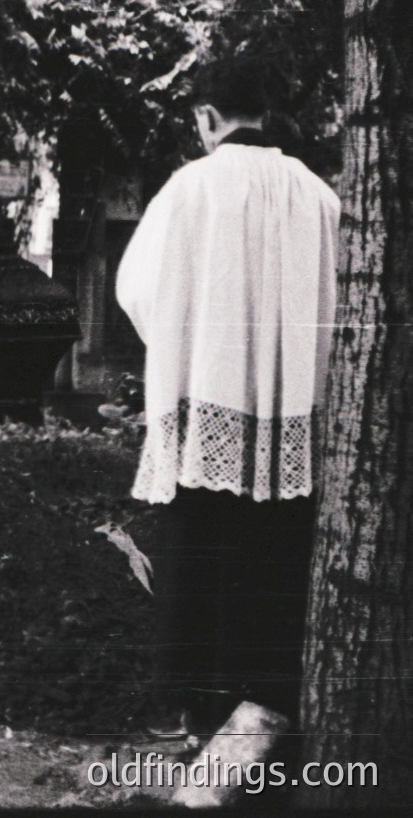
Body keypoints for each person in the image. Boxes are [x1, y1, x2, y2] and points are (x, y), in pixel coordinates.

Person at [115, 57, 340, 744]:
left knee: (203, 552)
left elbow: (137, 288)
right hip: (293, 417)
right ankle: (266, 720)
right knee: (272, 560)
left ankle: (191, 715)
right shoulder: (319, 197)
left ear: (208, 119)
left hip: (206, 400)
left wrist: (189, 354)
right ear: (266, 116)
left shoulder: (189, 189)